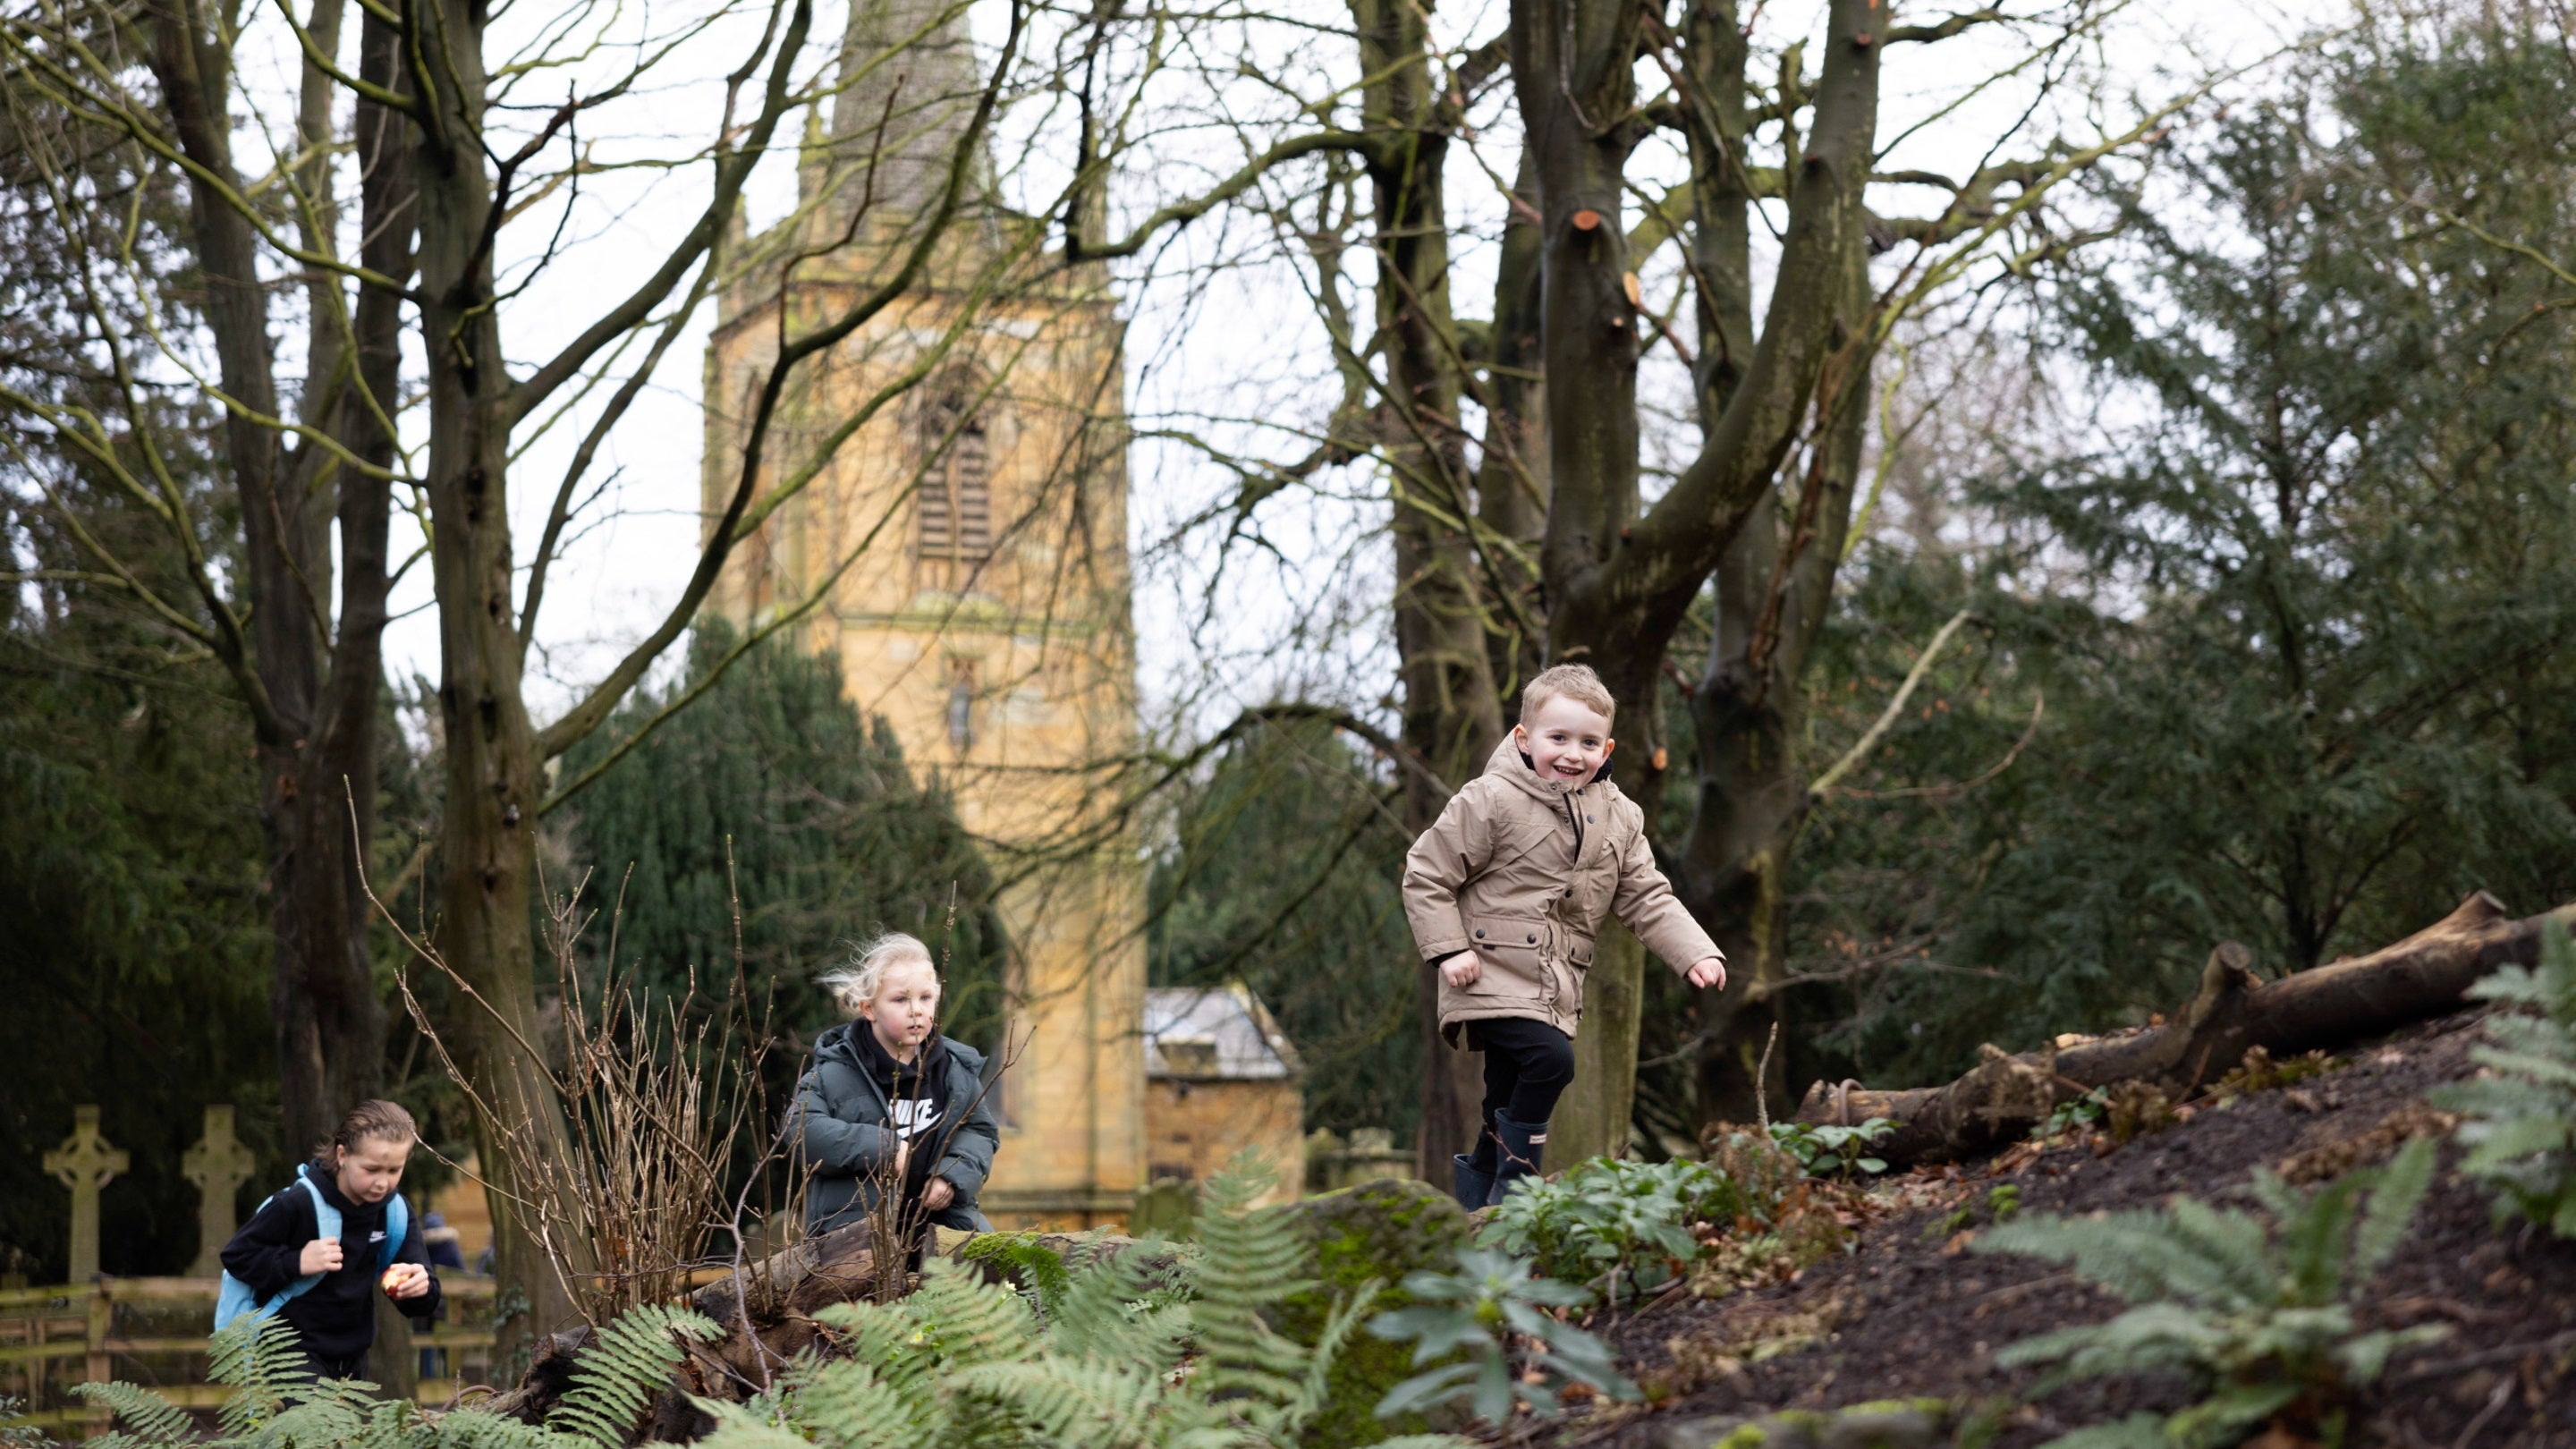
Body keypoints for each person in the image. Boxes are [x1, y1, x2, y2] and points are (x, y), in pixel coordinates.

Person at [1403, 663, 1729, 1209]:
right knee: (1552, 1061)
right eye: (1558, 738)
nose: (1572, 754)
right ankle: (1519, 1182)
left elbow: (1646, 894)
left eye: (1588, 742)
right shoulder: (1489, 800)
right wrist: (1449, 949)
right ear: (1524, 739)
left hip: (1553, 983)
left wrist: (1694, 950)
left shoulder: (1620, 818)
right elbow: (1427, 873)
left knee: (1504, 1094)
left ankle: (1479, 1199)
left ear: (1607, 750)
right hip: (1486, 971)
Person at [792, 933, 1002, 1237]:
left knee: (1001, 1268)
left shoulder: (955, 1070)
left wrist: (952, 1175)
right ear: (869, 1009)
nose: (916, 1010)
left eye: (925, 998)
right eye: (901, 1000)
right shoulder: (835, 1072)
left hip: (939, 1222)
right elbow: (800, 1131)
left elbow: (979, 1130)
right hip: (853, 1230)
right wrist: (883, 1148)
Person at [217, 1100, 443, 1380]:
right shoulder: (297, 1203)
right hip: (288, 1349)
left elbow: (423, 1303)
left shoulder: (394, 1212)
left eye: (394, 1170)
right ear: (342, 1155)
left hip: (353, 1356)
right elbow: (237, 1256)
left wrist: (420, 1288)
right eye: (372, 1170)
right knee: (315, 1425)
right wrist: (296, 1261)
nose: (383, 1183)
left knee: (343, 1426)